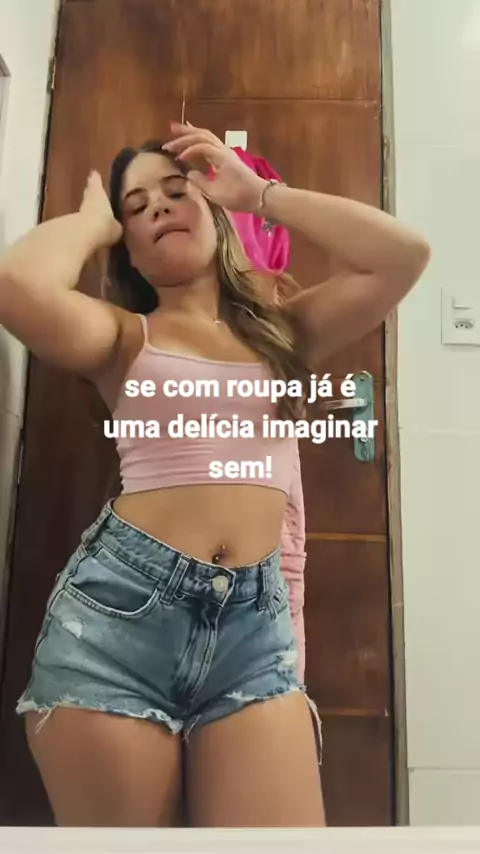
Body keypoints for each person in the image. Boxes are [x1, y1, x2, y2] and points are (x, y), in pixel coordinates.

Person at [0, 123, 431, 828]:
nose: (158, 207)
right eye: (137, 207)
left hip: (252, 634)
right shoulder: (122, 338)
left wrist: (259, 194)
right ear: (130, 249)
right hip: (119, 624)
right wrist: (91, 224)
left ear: (215, 210)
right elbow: (17, 287)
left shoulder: (284, 334)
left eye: (176, 190)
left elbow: (403, 256)